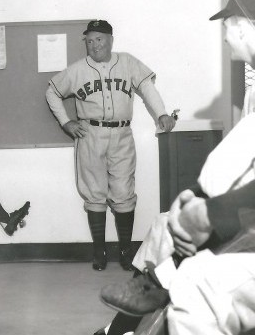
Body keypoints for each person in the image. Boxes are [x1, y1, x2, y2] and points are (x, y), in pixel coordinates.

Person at [97, 0, 255, 335]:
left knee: (180, 245)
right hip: (253, 207)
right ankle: (124, 323)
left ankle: (136, 310)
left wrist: (208, 206)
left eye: (226, 27)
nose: (224, 36)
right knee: (164, 224)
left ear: (241, 26)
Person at [46, 20, 176, 271]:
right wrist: (66, 123)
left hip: (122, 134)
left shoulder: (126, 62)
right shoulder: (76, 70)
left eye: (99, 39)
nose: (94, 45)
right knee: (94, 194)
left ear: (110, 40)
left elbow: (147, 86)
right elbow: (52, 91)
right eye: (89, 41)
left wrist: (161, 113)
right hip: (90, 133)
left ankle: (126, 251)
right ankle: (99, 251)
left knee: (124, 192)